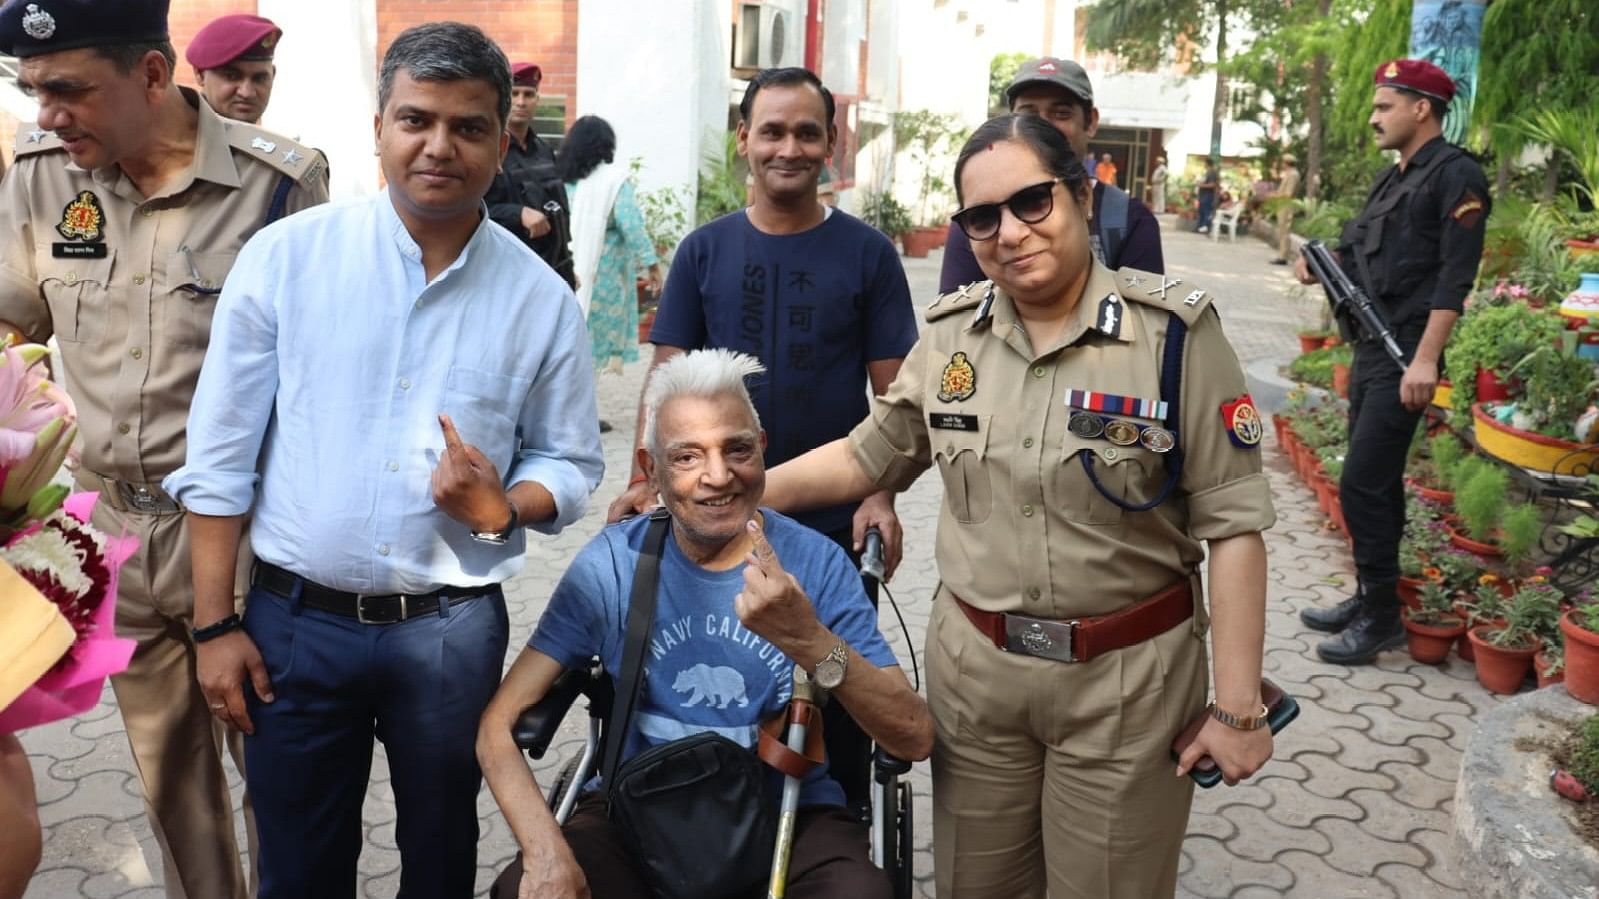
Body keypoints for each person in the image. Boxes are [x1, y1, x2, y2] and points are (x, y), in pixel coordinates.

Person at [763, 112, 1276, 898]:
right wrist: (736, 490)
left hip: (1125, 684)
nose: (1009, 231)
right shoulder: (949, 339)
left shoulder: (1172, 336)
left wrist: (1238, 711)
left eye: (1032, 202)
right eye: (981, 217)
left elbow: (1234, 523)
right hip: (978, 681)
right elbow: (867, 454)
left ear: (1079, 195)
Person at [163, 22, 605, 898]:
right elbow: (220, 460)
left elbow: (571, 461)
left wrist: (505, 506)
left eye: (469, 126)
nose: (439, 146)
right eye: (416, 119)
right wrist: (215, 628)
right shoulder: (288, 260)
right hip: (292, 628)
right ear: (378, 127)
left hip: (447, 630)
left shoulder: (539, 301)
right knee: (296, 865)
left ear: (501, 135)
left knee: (440, 858)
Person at [0, 1, 328, 895]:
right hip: (110, 533)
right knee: (172, 782)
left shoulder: (276, 185)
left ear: (152, 72)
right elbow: (10, 336)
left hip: (246, 535)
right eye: (31, 90)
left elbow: (314, 377)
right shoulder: (39, 175)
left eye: (68, 89)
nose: (47, 114)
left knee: (277, 776)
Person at [479, 348, 932, 899]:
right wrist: (544, 851)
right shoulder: (612, 566)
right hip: (639, 809)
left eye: (736, 448)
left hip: (787, 810)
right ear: (652, 472)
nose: (718, 476)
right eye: (687, 457)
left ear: (762, 450)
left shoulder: (815, 563)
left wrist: (809, 640)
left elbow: (913, 736)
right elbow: (497, 727)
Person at [607, 67, 917, 586]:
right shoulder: (703, 251)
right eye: (773, 131)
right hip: (714, 509)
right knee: (711, 666)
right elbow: (665, 380)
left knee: (834, 664)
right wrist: (644, 480)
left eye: (807, 133)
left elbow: (897, 400)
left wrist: (879, 495)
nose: (789, 149)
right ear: (745, 138)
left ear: (830, 142)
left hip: (836, 522)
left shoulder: (871, 255)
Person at [1296, 59, 1489, 665]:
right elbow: (1358, 251)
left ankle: (1382, 619)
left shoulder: (1457, 177)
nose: (1374, 116)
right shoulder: (1392, 179)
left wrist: (1425, 361)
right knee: (1370, 483)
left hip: (1406, 352)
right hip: (1372, 349)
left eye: (1384, 106)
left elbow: (1454, 280)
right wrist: (1318, 265)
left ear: (1420, 109)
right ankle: (1371, 595)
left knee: (1361, 482)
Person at [940, 57, 1163, 293]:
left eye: (1061, 113)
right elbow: (959, 320)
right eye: (1029, 115)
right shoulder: (977, 223)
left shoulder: (1131, 220)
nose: (1012, 234)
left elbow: (1147, 322)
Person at [559, 115, 663, 375]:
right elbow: (631, 225)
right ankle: (586, 411)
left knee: (567, 345)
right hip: (602, 280)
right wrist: (651, 263)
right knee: (593, 349)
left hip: (563, 270)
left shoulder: (561, 179)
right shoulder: (614, 181)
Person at [484, 60, 576, 287]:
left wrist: (568, 269)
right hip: (509, 273)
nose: (521, 102)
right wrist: (518, 213)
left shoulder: (544, 151)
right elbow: (472, 211)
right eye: (514, 94)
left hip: (552, 268)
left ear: (537, 100)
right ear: (505, 100)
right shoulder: (488, 150)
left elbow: (559, 214)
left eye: (529, 94)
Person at [186, 13, 279, 124]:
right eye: (232, 76)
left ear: (273, 76)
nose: (247, 93)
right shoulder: (174, 136)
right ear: (200, 75)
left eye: (259, 79)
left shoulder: (264, 140)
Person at [1269, 154, 1300, 265]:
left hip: (1287, 206)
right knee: (1282, 231)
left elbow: (1288, 194)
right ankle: (1281, 255)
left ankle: (1283, 257)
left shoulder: (1293, 175)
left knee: (1284, 231)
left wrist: (1275, 196)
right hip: (1283, 205)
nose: (1282, 164)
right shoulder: (1289, 174)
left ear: (1286, 163)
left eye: (1283, 162)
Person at [1196, 158, 1220, 232]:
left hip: (1208, 195)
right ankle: (1200, 228)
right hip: (1203, 195)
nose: (1204, 165)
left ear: (1207, 163)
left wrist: (1201, 185)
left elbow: (1213, 185)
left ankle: (1205, 227)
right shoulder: (1207, 172)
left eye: (1204, 163)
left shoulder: (1212, 172)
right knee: (1202, 211)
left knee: (1206, 211)